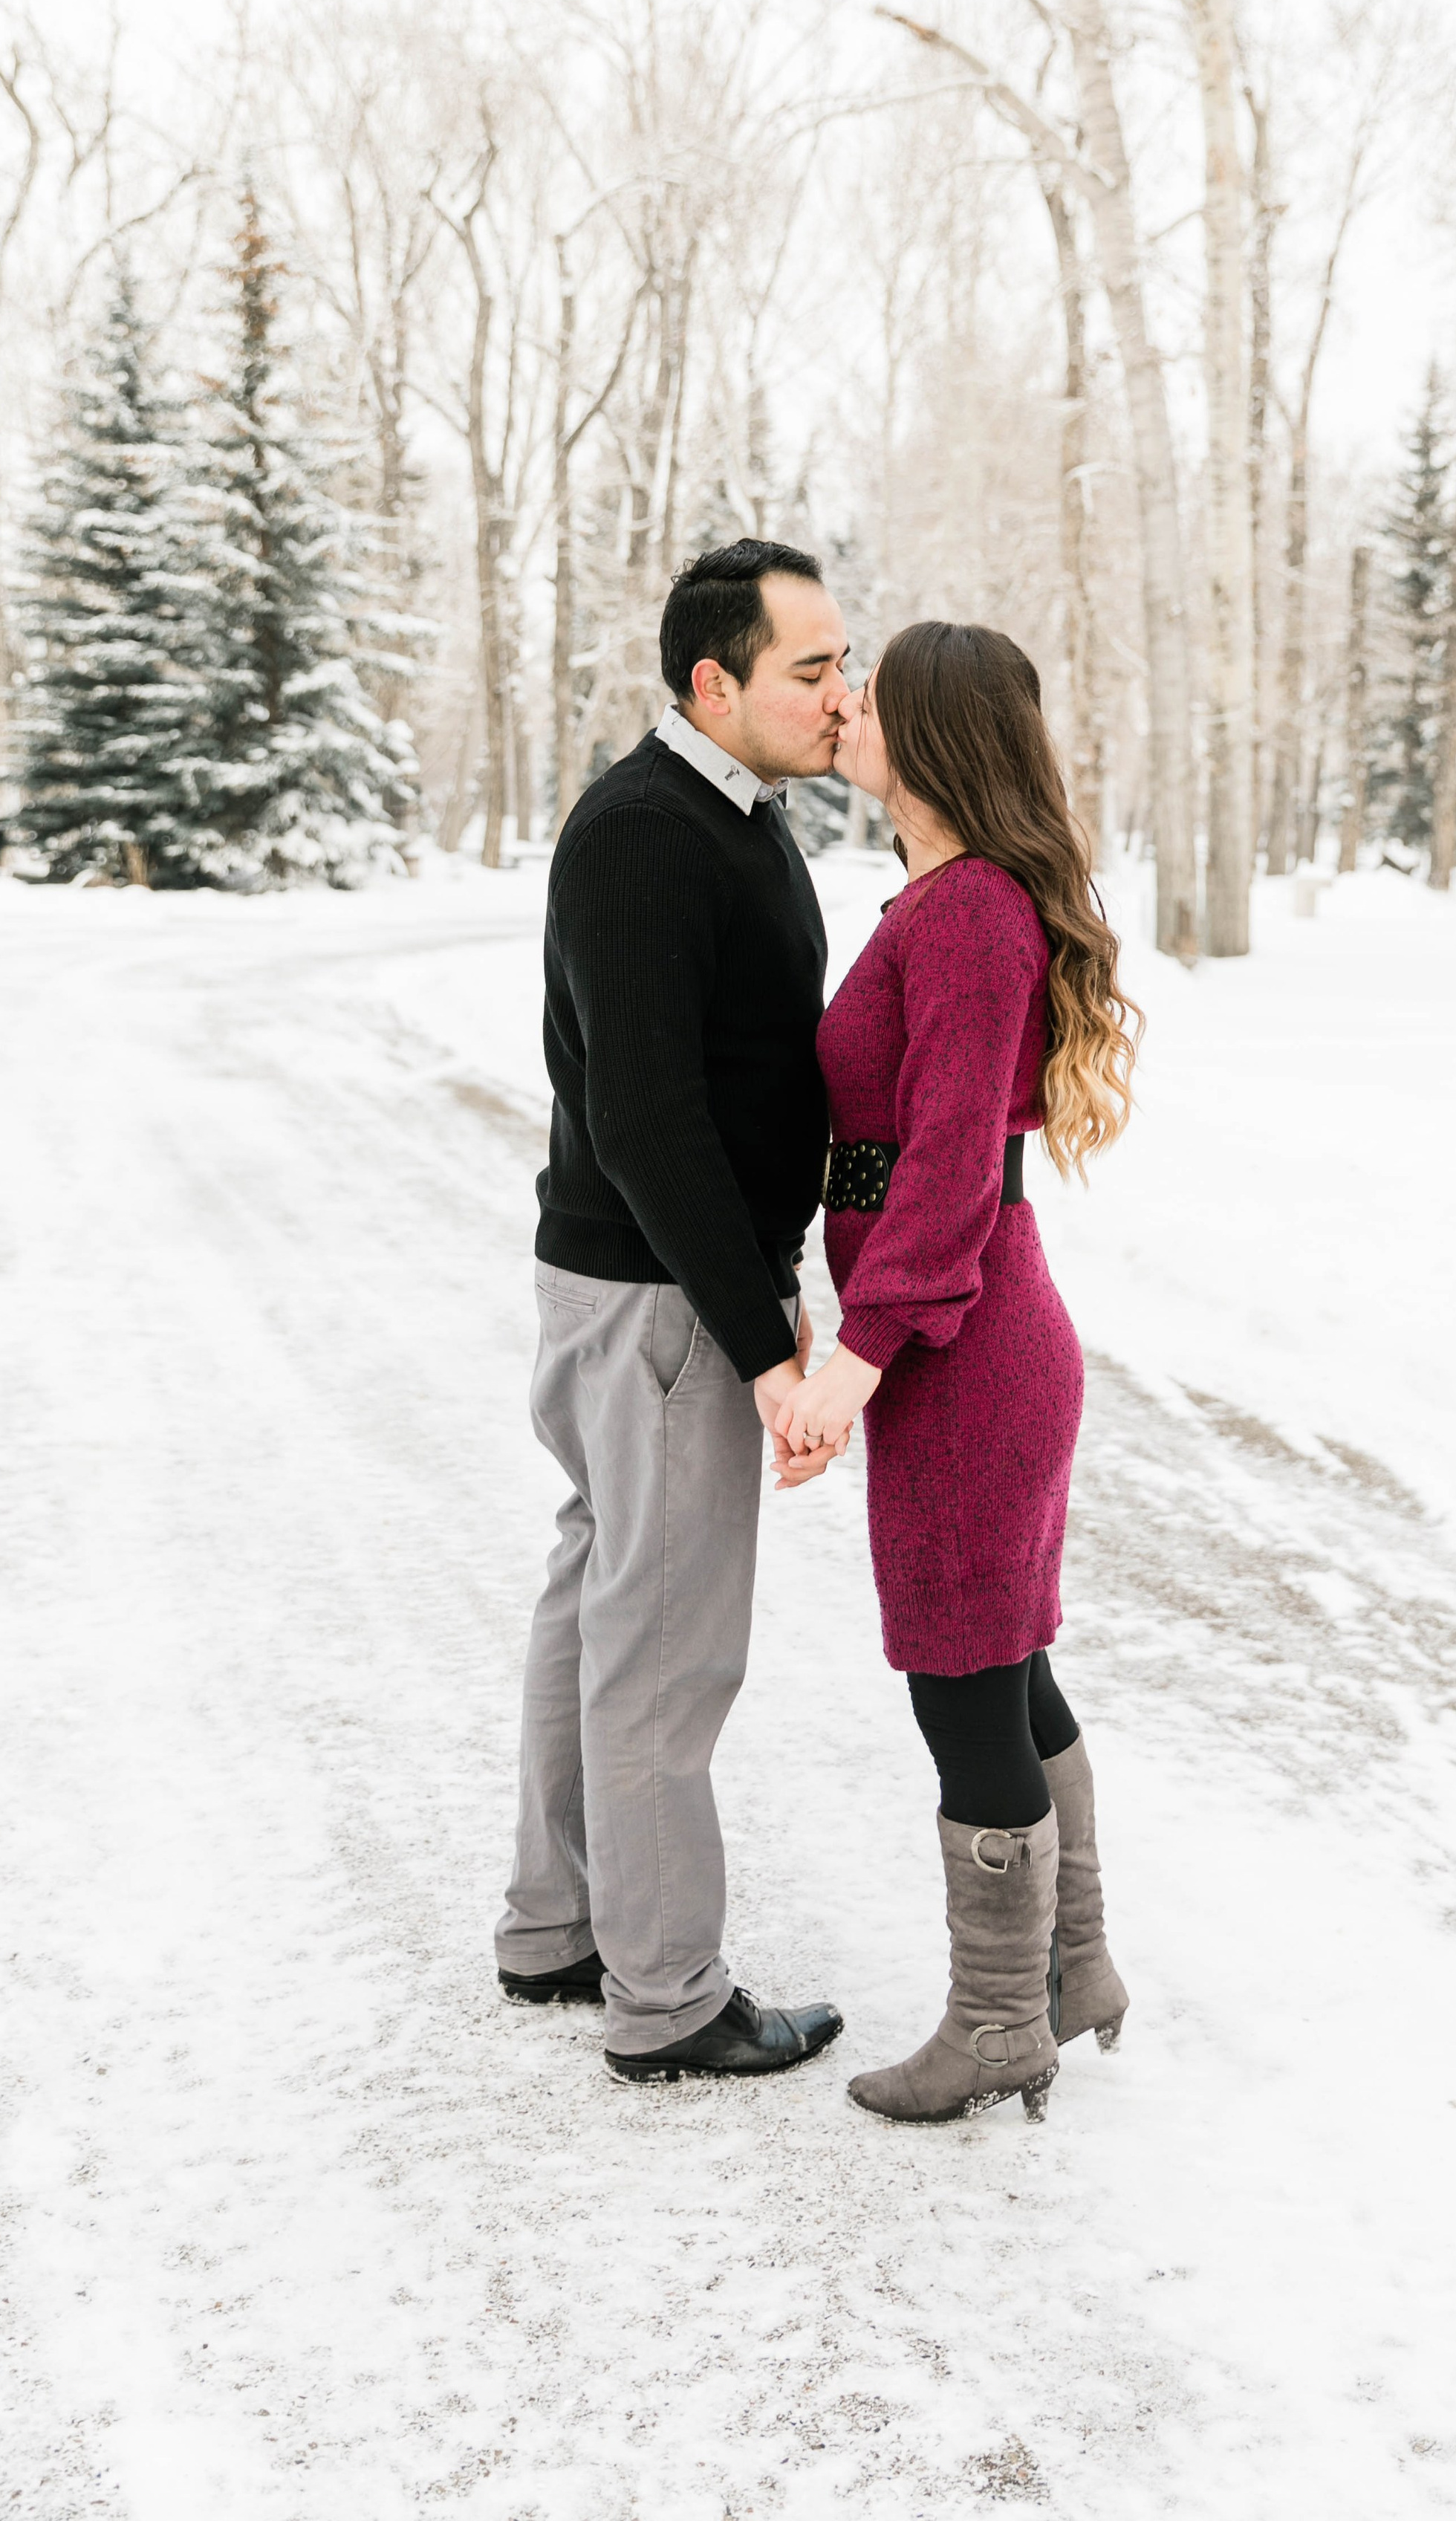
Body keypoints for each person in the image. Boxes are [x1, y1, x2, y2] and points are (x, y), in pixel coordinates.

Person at [773, 622, 1141, 2126]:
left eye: (869, 699)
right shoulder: (942, 900)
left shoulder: (973, 912)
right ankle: (1074, 1966)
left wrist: (849, 1365)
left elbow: (937, 1169)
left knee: (962, 1680)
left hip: (962, 1346)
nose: (844, 712)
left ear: (929, 738)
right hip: (968, 1337)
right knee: (1005, 1659)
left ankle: (1000, 2023)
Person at [495, 538, 851, 2084]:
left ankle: (557, 1925)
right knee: (661, 1642)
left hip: (637, 1285)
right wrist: (766, 1344)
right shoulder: (646, 833)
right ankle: (665, 1993)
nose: (845, 692)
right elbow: (646, 1123)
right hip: (656, 1299)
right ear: (715, 683)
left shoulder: (735, 816)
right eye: (813, 668)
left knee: (601, 1600)